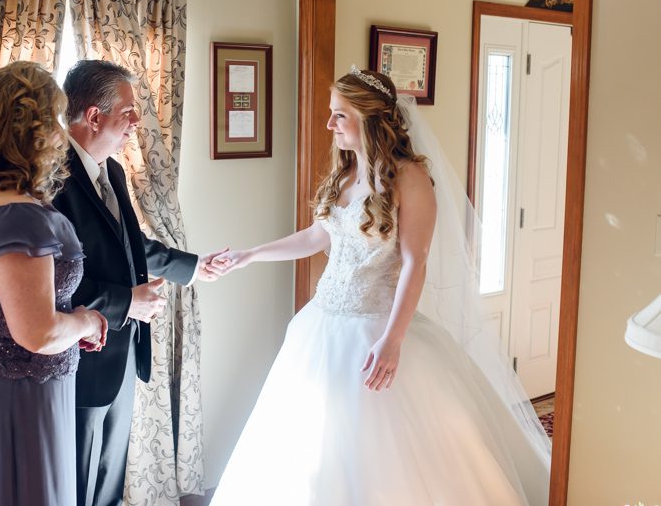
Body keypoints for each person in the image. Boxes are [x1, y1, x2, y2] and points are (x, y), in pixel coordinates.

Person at [209, 68, 552, 505]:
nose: (330, 124)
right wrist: (251, 254)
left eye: (339, 115)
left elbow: (416, 261)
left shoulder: (410, 178)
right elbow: (318, 237)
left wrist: (393, 339)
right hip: (321, 327)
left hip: (376, 329)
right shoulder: (346, 175)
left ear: (369, 119)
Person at [52, 59, 228, 506]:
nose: (137, 122)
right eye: (128, 112)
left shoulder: (111, 171)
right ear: (94, 116)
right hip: (78, 359)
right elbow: (54, 282)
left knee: (110, 479)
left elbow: (132, 243)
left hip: (124, 354)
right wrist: (126, 302)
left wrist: (191, 266)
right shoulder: (52, 179)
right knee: (76, 481)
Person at [0, 61, 108, 506]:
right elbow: (38, 332)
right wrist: (88, 321)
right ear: (29, 130)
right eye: (54, 118)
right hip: (18, 401)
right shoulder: (21, 218)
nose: (59, 131)